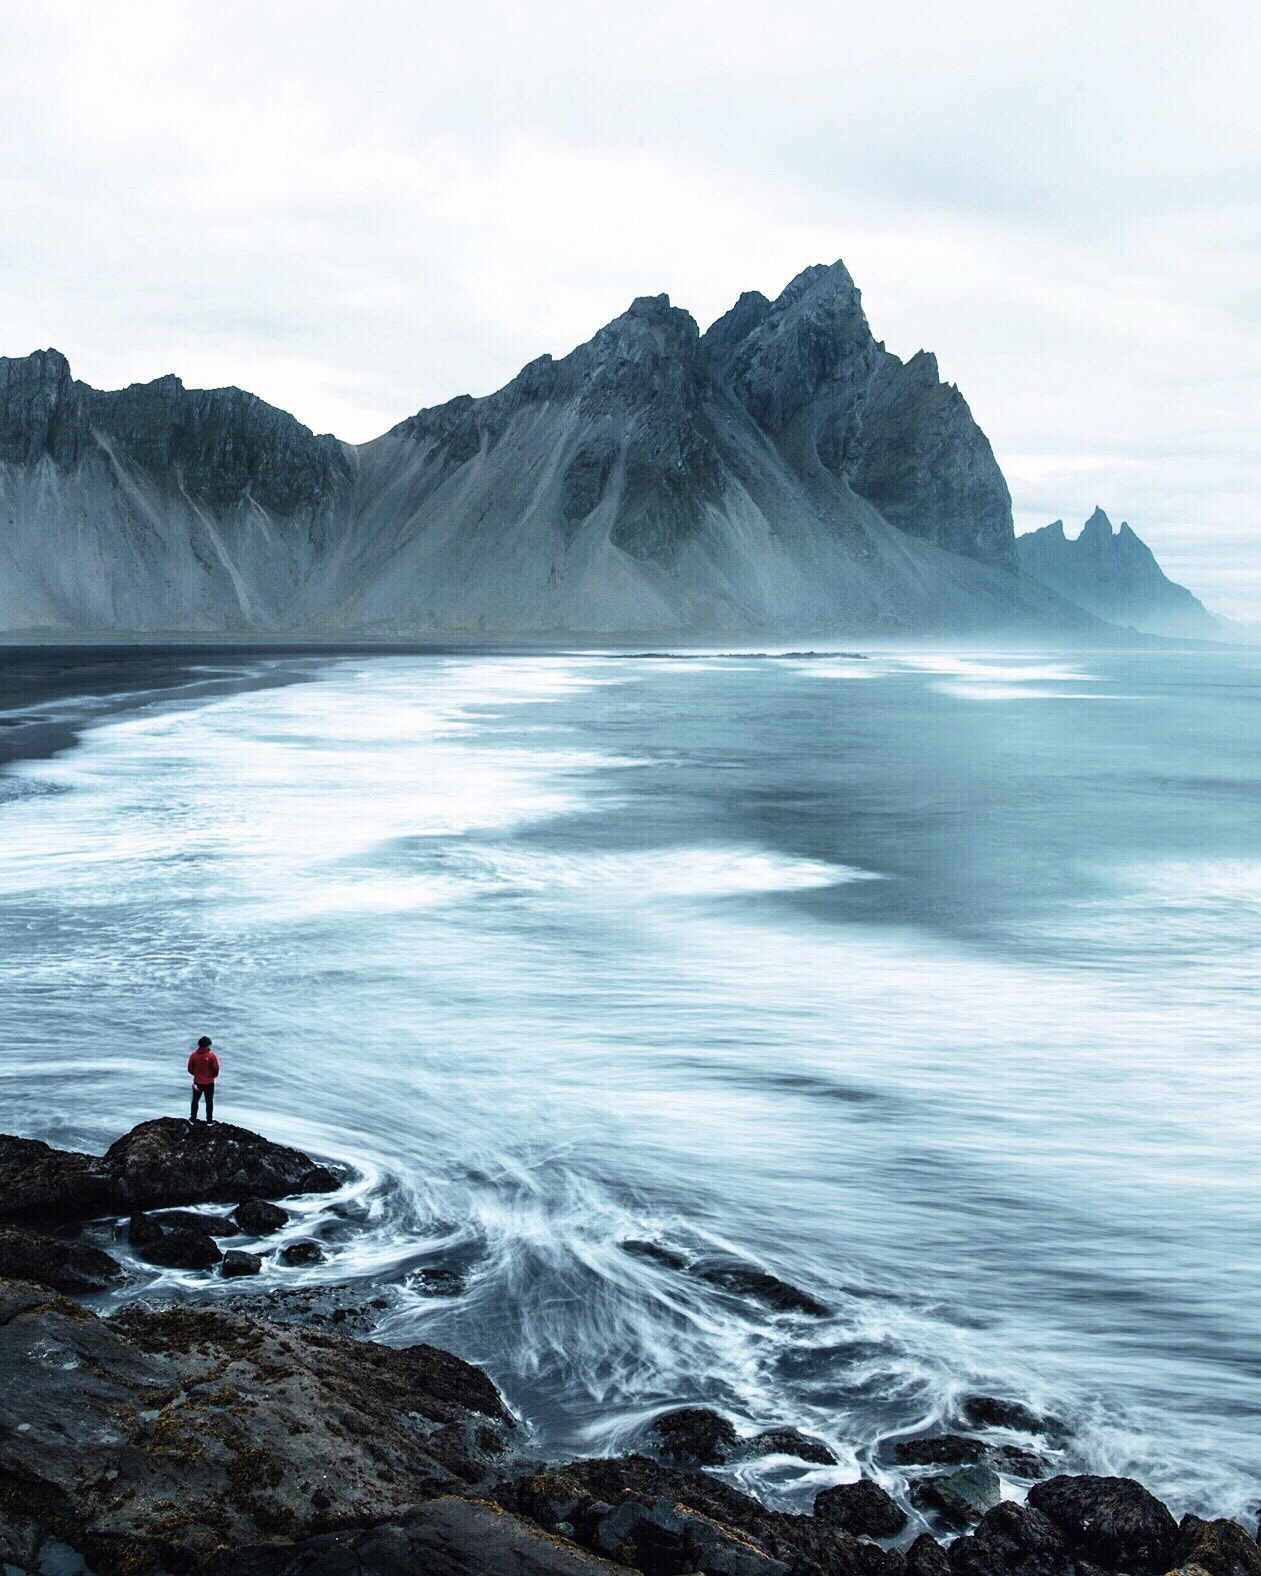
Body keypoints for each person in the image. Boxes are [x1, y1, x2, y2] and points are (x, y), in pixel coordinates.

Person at [188, 1036, 219, 1123]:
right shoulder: (212, 1056)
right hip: (209, 1083)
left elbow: (190, 1068)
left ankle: (193, 1119)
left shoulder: (193, 1055)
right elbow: (216, 1069)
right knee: (209, 1101)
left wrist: (196, 1074)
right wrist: (213, 1076)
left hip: (197, 1082)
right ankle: (209, 1121)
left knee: (195, 1100)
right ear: (207, 1046)